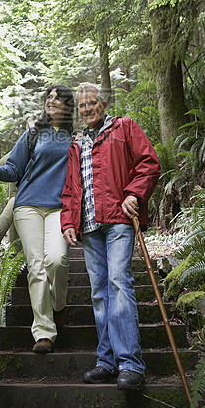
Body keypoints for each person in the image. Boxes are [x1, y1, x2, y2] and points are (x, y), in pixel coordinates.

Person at [60, 83, 160, 390]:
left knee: (118, 282)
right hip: (89, 227)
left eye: (92, 103)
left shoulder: (125, 127)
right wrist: (68, 221)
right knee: (99, 292)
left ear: (103, 104)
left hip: (118, 220)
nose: (87, 109)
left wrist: (134, 194)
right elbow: (70, 189)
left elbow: (149, 164)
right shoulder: (76, 145)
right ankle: (107, 361)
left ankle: (131, 364)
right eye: (82, 106)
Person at [0, 85, 75, 354]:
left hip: (59, 208)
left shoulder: (75, 139)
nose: (52, 101)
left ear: (68, 106)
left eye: (58, 98)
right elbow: (15, 167)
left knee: (57, 259)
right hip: (27, 206)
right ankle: (44, 332)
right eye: (48, 97)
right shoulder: (32, 134)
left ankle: (59, 306)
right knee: (36, 265)